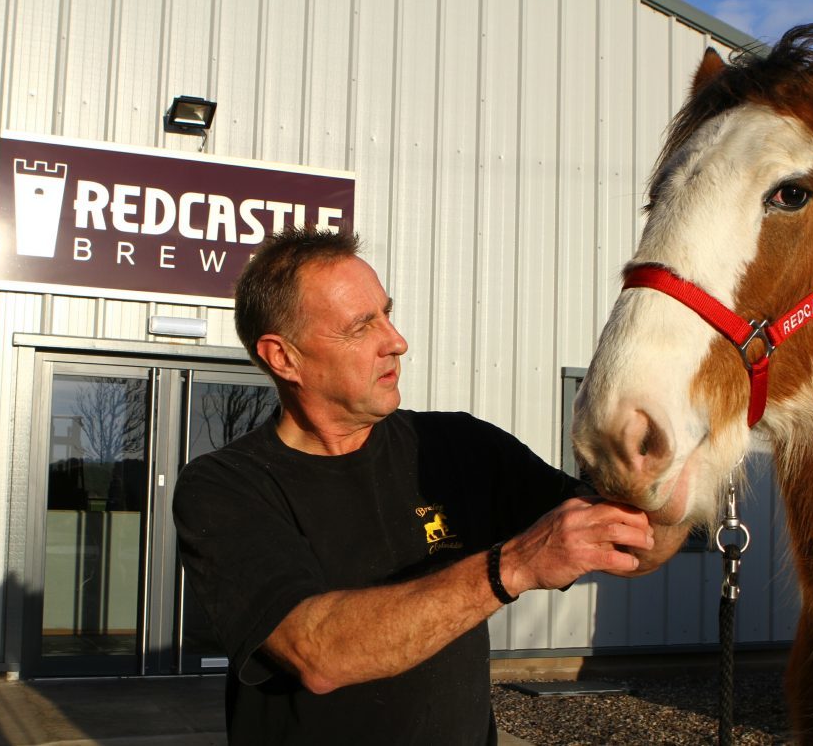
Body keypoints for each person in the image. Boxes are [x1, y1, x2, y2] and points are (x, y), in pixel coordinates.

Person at [173, 226, 690, 745]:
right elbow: (318, 652)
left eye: (386, 312)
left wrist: (676, 480)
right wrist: (511, 566)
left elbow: (631, 541)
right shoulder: (225, 489)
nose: (395, 341)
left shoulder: (456, 447)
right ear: (284, 358)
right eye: (360, 326)